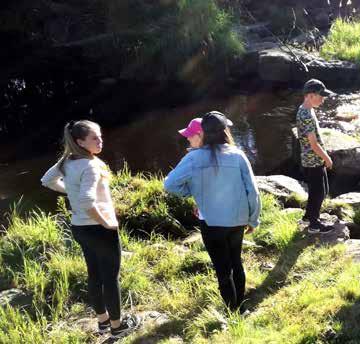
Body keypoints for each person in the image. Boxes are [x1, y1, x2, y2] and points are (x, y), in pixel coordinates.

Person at [41, 120, 142, 338]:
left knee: (94, 275)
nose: (100, 141)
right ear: (80, 142)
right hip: (100, 229)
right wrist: (106, 222)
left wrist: (71, 192)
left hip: (80, 228)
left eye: (100, 136)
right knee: (110, 279)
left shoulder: (67, 161)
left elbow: (47, 180)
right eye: (95, 138)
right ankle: (117, 327)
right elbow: (87, 201)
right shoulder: (91, 165)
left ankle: (103, 322)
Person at [164, 112, 261, 313]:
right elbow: (252, 190)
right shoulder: (238, 154)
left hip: (211, 223)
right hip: (237, 220)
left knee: (222, 269)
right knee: (236, 262)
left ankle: (232, 312)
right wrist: (253, 219)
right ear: (225, 131)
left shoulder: (193, 157)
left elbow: (170, 184)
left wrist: (192, 191)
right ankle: (241, 307)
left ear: (204, 133)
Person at [296, 79, 337, 234]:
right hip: (313, 160)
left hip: (313, 159)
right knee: (319, 192)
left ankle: (308, 215)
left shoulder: (307, 109)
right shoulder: (305, 114)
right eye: (321, 96)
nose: (323, 99)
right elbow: (313, 144)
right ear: (310, 95)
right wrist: (327, 158)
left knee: (319, 190)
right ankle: (314, 224)